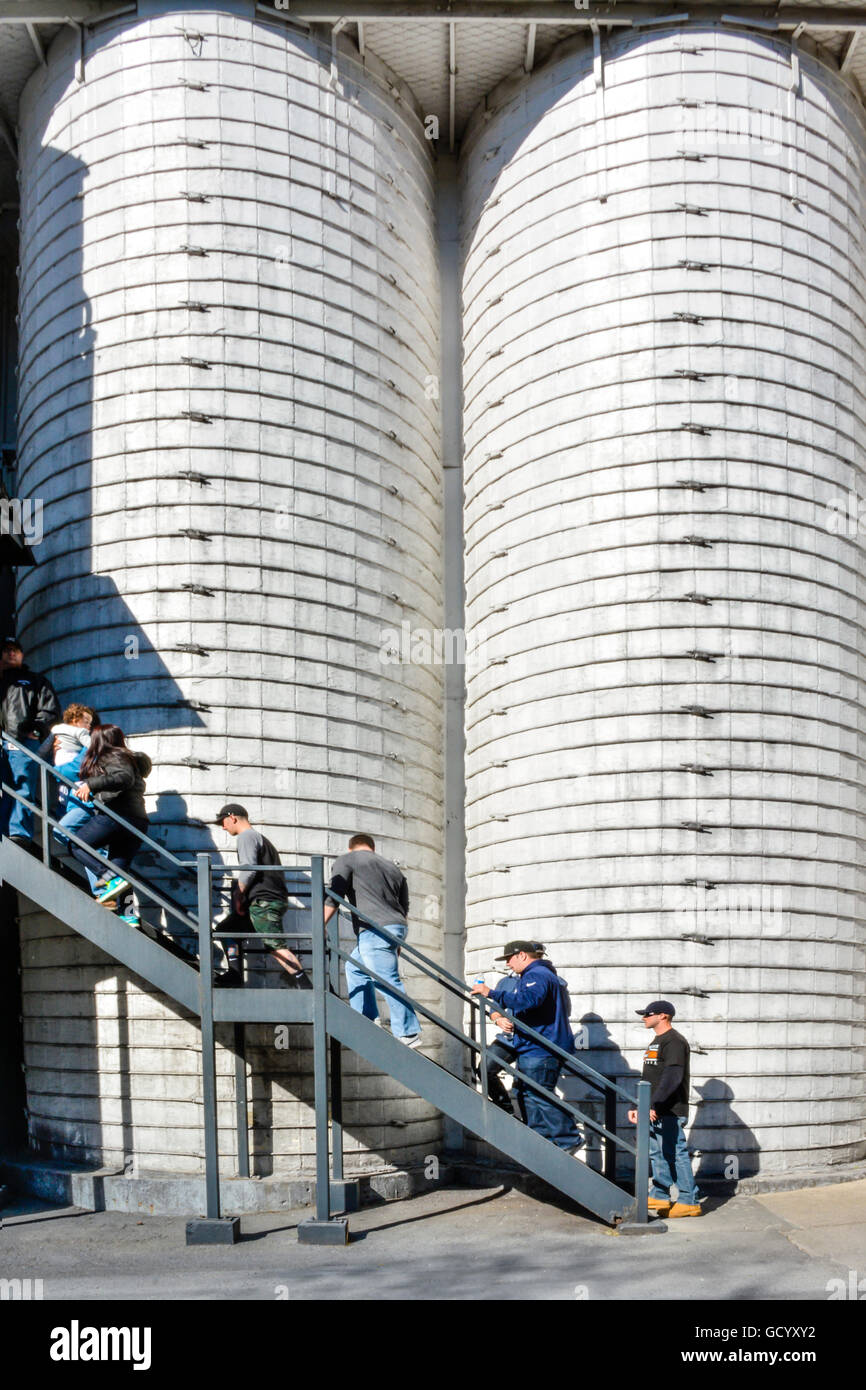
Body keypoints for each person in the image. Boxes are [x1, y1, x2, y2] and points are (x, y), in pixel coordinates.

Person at [472, 942, 582, 1152]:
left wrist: (491, 992)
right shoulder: (530, 976)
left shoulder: (538, 975)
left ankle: (568, 1138)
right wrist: (497, 1017)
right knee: (525, 1091)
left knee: (539, 1092)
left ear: (522, 955)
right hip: (529, 1043)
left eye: (509, 959)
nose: (507, 964)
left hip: (541, 1045)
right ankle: (539, 1137)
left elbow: (527, 1001)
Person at [324, 833, 421, 1046]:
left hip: (374, 928)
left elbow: (334, 894)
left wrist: (319, 924)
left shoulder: (347, 860)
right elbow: (403, 907)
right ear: (372, 848)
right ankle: (367, 1018)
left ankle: (409, 1032)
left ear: (351, 848)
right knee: (355, 968)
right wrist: (397, 942)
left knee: (385, 978)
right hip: (395, 926)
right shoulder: (392, 868)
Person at [215, 804, 311, 988]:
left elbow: (248, 869)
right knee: (227, 929)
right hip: (265, 901)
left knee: (275, 945)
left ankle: (308, 988)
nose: (223, 827)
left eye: (223, 821)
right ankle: (234, 975)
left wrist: (238, 893)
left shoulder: (247, 837)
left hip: (264, 903)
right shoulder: (260, 839)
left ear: (232, 817)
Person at [68, 725, 151, 925]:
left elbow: (122, 778)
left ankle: (107, 876)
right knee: (121, 870)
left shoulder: (112, 755)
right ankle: (129, 914)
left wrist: (91, 784)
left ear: (100, 740)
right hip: (137, 821)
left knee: (76, 844)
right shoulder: (128, 758)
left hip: (117, 815)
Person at [627, 999, 701, 1218]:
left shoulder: (674, 1042)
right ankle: (660, 1195)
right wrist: (638, 1104)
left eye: (648, 1014)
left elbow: (673, 1078)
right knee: (657, 1153)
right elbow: (648, 1078)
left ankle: (689, 1200)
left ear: (663, 1016)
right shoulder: (656, 1042)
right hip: (653, 1108)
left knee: (675, 1154)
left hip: (669, 1109)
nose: (644, 1017)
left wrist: (653, 1105)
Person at [0, 636, 61, 843]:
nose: (12, 653)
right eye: (7, 649)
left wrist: (35, 731)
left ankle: (18, 832)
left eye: (15, 650)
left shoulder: (34, 681)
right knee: (6, 788)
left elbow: (50, 710)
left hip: (21, 743)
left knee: (22, 787)